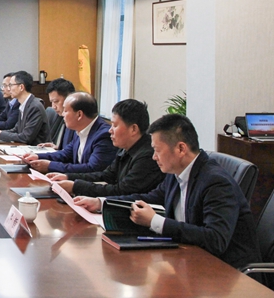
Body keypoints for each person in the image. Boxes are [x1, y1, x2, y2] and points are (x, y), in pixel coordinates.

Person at [73, 114, 261, 270]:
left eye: (157, 150)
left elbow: (215, 239)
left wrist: (155, 221)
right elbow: (150, 198)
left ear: (181, 148)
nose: (154, 157)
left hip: (228, 274)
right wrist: (101, 202)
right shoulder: (176, 173)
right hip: (190, 259)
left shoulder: (215, 182)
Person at [48, 99, 165, 196]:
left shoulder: (148, 156)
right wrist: (68, 176)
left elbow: (122, 190)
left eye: (115, 125)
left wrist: (76, 186)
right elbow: (107, 175)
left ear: (133, 129)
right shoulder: (125, 147)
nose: (110, 130)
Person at [22, 92, 116, 173]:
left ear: (79, 114)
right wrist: (37, 156)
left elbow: (92, 168)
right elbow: (65, 154)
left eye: (66, 111)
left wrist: (50, 166)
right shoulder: (80, 129)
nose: (63, 114)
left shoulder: (104, 135)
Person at [0, 71, 49, 145]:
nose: (9, 89)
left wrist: (1, 135)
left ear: (21, 87)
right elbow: (17, 129)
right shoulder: (24, 104)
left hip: (35, 148)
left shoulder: (35, 107)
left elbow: (26, 137)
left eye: (11, 85)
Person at [39, 78, 76, 150]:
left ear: (69, 98)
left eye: (56, 101)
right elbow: (67, 150)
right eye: (52, 102)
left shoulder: (76, 122)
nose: (53, 107)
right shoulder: (62, 117)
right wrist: (57, 148)